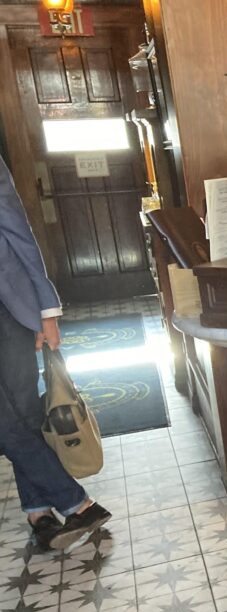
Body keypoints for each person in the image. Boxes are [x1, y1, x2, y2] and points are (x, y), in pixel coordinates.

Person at [0, 154, 110, 551]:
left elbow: (16, 230)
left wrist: (46, 309)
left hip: (7, 308)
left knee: (25, 412)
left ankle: (38, 511)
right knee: (6, 422)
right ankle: (77, 504)